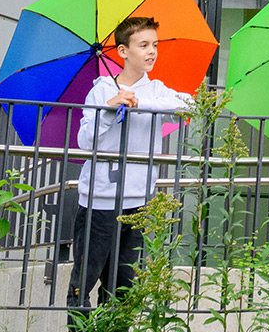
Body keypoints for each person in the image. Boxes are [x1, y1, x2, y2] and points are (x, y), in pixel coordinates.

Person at [67, 16, 193, 326]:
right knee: (84, 279)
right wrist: (110, 108)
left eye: (155, 45)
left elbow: (189, 106)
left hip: (138, 202)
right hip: (98, 200)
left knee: (123, 285)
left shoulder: (158, 91)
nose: (152, 52)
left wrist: (143, 102)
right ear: (123, 51)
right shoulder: (101, 91)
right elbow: (84, 140)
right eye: (144, 45)